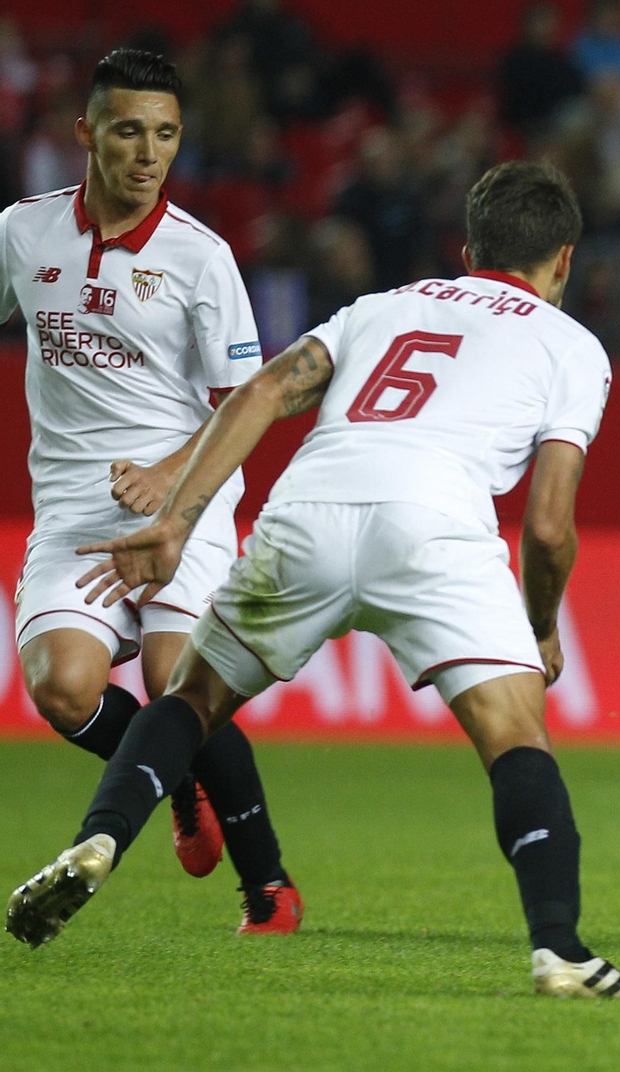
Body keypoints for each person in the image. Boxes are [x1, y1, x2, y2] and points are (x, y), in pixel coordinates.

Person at [5, 161, 620, 1001]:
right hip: (433, 527)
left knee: (190, 703)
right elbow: (547, 524)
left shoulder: (387, 306)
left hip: (308, 508)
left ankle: (99, 839)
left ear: (467, 248)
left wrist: (176, 518)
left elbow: (267, 390)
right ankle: (560, 951)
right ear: (564, 261)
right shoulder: (572, 345)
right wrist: (540, 626)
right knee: (515, 742)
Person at [0, 48, 299, 934]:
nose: (148, 153)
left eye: (165, 135)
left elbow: (250, 405)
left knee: (179, 683)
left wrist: (172, 478)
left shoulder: (202, 260)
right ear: (87, 133)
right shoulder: (22, 232)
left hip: (187, 504)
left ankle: (269, 892)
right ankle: (175, 777)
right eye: (129, 131)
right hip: (76, 514)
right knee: (62, 690)